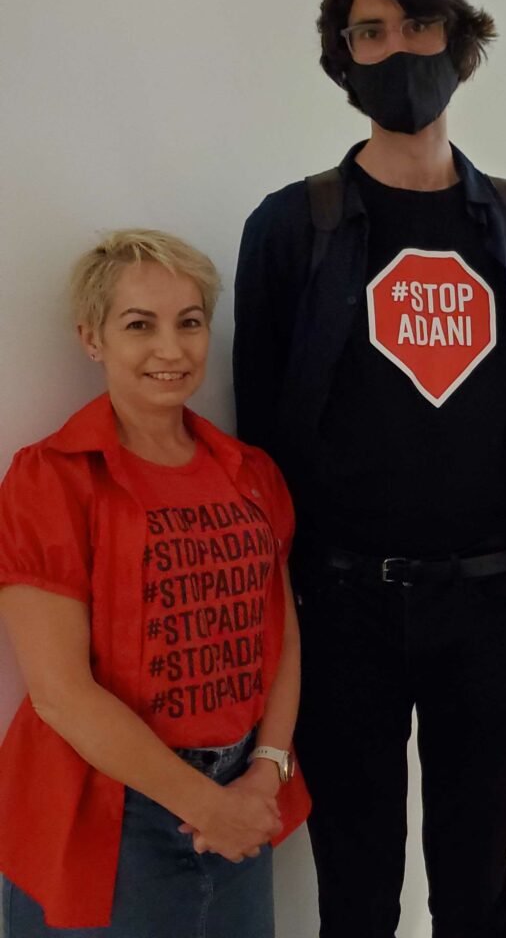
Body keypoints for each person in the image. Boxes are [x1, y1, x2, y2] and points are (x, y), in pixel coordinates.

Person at [232, 0, 506, 938]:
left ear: (459, 36)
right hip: (339, 604)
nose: (398, 52)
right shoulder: (292, 226)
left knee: (478, 883)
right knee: (355, 881)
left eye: (417, 23)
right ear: (342, 55)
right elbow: (259, 431)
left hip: (481, 604)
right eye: (371, 31)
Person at [0, 230, 309, 936]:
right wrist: (207, 806)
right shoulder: (51, 478)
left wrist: (266, 769)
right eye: (139, 325)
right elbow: (60, 694)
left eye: (189, 322)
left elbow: (281, 632)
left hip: (242, 794)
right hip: (109, 816)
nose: (170, 350)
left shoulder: (250, 473)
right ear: (92, 336)